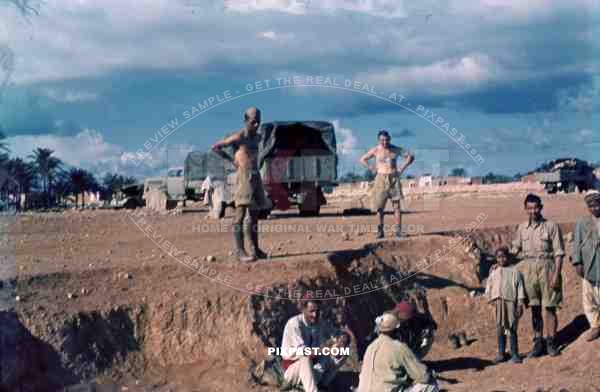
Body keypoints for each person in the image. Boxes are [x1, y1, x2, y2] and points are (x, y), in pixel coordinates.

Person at [211, 107, 271, 262]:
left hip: (256, 176)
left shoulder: (257, 138)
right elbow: (215, 147)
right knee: (240, 213)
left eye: (258, 121)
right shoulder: (238, 137)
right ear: (246, 120)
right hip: (243, 177)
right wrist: (232, 160)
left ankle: (255, 249)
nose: (256, 125)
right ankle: (239, 251)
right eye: (253, 121)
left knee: (255, 214)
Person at [511, 193, 565, 357]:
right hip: (528, 271)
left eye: (535, 208)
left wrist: (556, 274)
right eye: (529, 208)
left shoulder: (551, 226)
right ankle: (538, 342)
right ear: (525, 209)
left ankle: (551, 342)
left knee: (549, 307)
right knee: (534, 308)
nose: (532, 211)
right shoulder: (521, 228)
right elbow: (515, 250)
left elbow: (559, 253)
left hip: (547, 268)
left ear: (540, 208)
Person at [357, 312, 438, 392]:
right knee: (430, 384)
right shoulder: (398, 347)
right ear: (396, 330)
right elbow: (424, 377)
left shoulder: (370, 347)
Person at [280, 297, 344, 392]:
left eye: (317, 311)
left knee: (342, 352)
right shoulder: (294, 324)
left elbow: (338, 333)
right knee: (305, 358)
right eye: (311, 311)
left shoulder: (320, 323)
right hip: (294, 369)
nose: (315, 315)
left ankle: (323, 385)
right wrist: (326, 349)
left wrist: (341, 342)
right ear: (303, 310)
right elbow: (305, 352)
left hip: (313, 367)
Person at [359, 130, 414, 239]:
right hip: (380, 179)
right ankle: (380, 231)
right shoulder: (375, 150)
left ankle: (398, 231)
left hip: (393, 178)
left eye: (386, 140)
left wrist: (401, 169)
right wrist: (371, 168)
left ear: (390, 139)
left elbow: (410, 156)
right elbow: (362, 159)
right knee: (379, 207)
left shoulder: (395, 149)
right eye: (382, 140)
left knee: (397, 206)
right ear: (379, 140)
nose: (384, 142)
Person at [485, 247, 526, 364]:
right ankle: (501, 353)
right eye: (499, 257)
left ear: (507, 257)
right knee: (499, 328)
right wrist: (490, 299)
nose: (501, 259)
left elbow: (520, 289)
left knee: (512, 327)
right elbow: (489, 287)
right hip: (498, 302)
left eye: (503, 256)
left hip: (511, 302)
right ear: (496, 258)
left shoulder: (515, 272)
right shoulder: (493, 273)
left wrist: (520, 304)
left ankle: (514, 353)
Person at [572, 190, 600, 342]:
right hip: (589, 266)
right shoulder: (582, 223)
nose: (594, 208)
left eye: (597, 205)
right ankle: (595, 326)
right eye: (591, 206)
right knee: (589, 299)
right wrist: (577, 262)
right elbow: (576, 245)